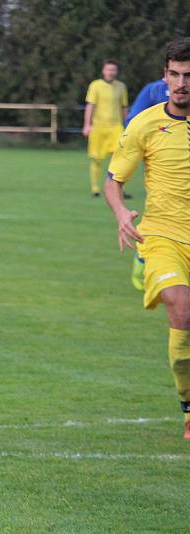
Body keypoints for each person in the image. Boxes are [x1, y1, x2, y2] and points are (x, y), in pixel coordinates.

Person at [104, 37, 190, 440]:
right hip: (161, 234)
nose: (182, 83)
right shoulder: (145, 123)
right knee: (180, 309)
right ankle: (189, 404)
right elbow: (114, 181)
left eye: (189, 75)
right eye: (175, 74)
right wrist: (122, 212)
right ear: (164, 76)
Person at [124, 76, 170, 291]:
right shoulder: (154, 91)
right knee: (163, 213)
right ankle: (142, 258)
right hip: (163, 167)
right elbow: (132, 120)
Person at [83, 59, 128, 198]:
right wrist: (87, 125)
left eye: (113, 70)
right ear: (103, 71)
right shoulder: (95, 86)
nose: (110, 72)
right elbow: (90, 106)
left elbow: (124, 107)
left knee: (120, 159)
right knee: (96, 158)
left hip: (116, 127)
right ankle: (95, 188)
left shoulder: (121, 87)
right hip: (98, 127)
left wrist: (127, 126)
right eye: (108, 69)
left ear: (116, 72)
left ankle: (118, 188)